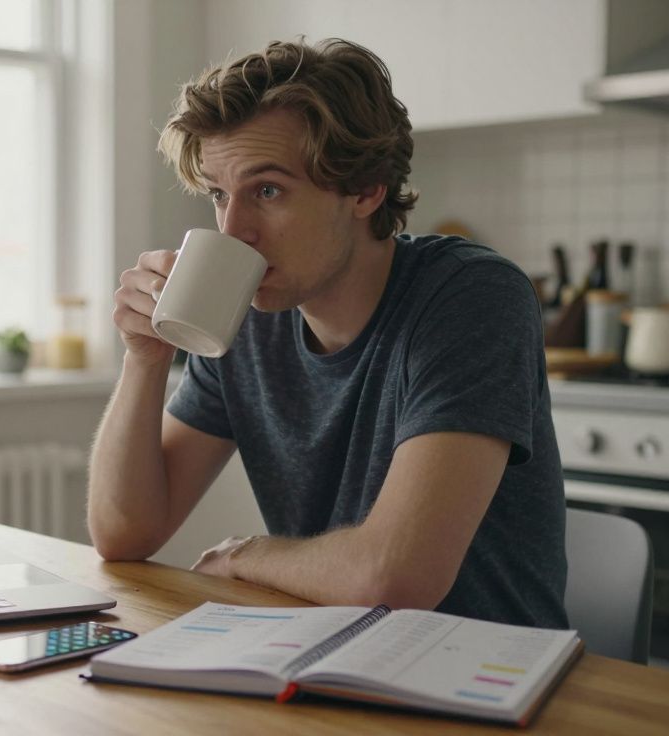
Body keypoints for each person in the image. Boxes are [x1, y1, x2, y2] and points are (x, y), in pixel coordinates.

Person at [87, 38, 567, 628]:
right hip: (321, 654)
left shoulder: (471, 298)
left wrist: (245, 555)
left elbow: (395, 576)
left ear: (365, 189)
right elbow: (123, 532)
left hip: (481, 679)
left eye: (267, 191)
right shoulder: (246, 315)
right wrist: (145, 357)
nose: (233, 230)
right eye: (219, 194)